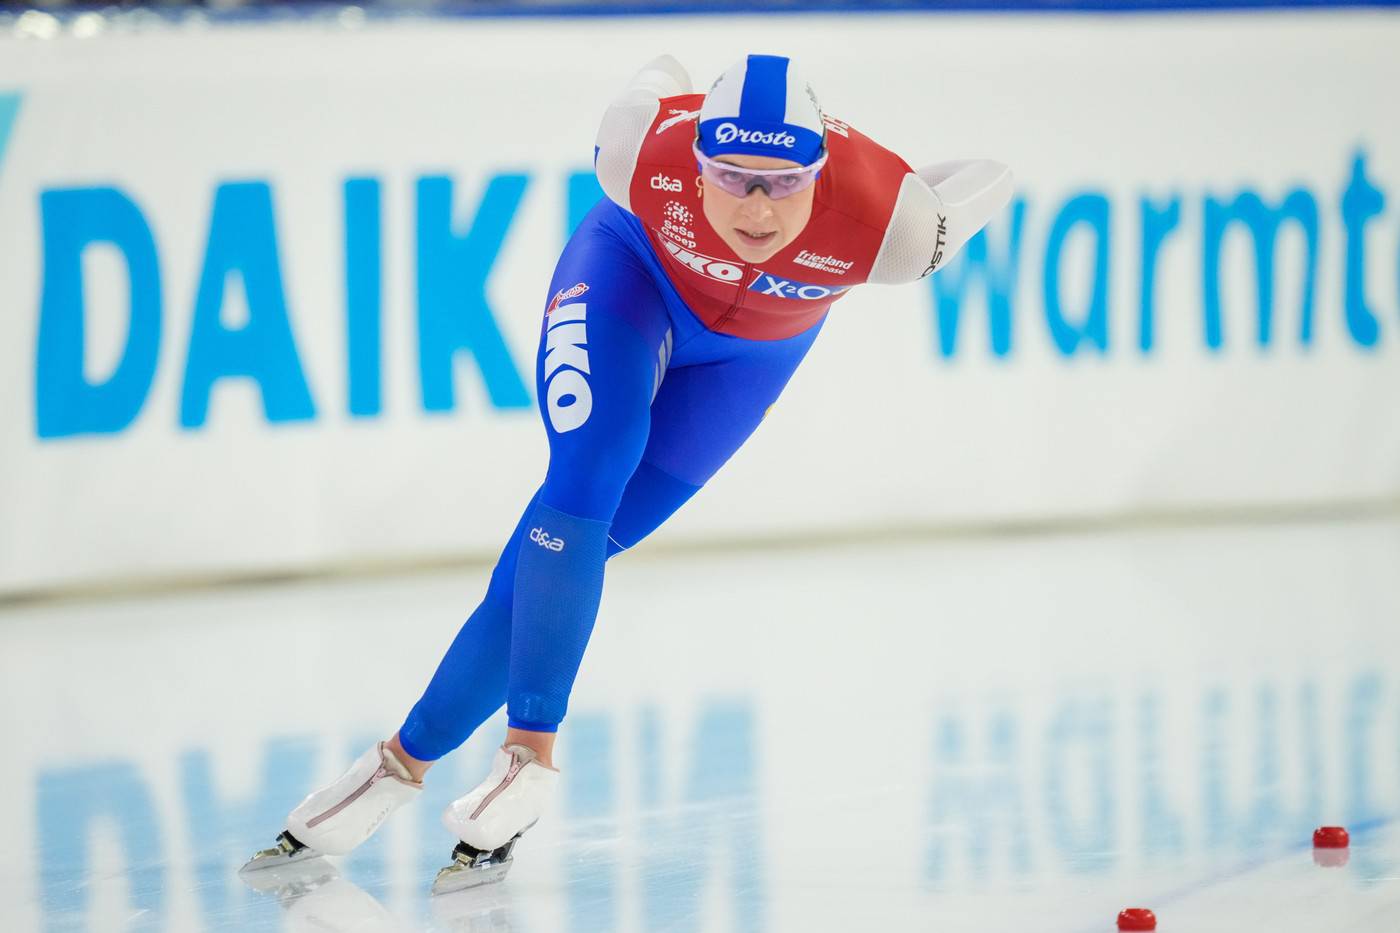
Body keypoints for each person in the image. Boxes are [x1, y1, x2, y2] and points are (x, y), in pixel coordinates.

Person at [242, 53, 1012, 892]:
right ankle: (528, 755)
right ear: (696, 161)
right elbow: (657, 75)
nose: (756, 206)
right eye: (731, 177)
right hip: (626, 280)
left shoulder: (895, 230)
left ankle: (397, 765)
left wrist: (906, 192)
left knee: (577, 546)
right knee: (588, 467)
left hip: (748, 359)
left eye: (784, 183)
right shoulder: (637, 149)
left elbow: (989, 178)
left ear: (820, 171)